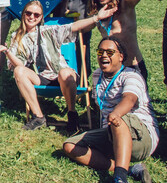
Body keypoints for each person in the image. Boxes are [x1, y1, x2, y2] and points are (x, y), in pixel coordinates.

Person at [0, 0, 116, 131]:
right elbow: (20, 64)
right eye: (29, 13)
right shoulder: (17, 37)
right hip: (43, 77)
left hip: (63, 76)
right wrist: (8, 52)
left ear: (40, 18)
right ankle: (38, 117)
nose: (32, 17)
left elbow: (74, 27)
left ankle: (72, 114)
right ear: (23, 14)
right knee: (19, 71)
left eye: (36, 15)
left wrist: (96, 18)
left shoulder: (48, 31)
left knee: (64, 72)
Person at [63, 36, 158, 183]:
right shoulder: (97, 76)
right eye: (100, 52)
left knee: (118, 120)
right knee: (70, 146)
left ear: (121, 57)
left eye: (109, 52)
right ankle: (130, 169)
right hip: (110, 134)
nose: (104, 56)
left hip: (141, 138)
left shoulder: (131, 75)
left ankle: (120, 178)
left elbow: (130, 99)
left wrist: (116, 114)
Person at [81, 0, 151, 83]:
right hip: (111, 72)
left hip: (132, 68)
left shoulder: (125, 4)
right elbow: (83, 29)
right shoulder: (98, 12)